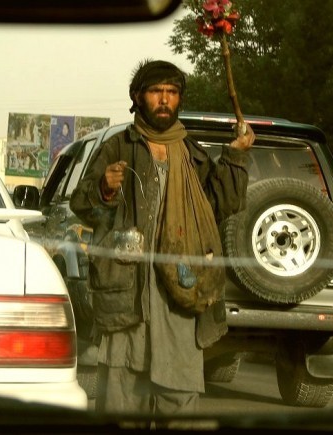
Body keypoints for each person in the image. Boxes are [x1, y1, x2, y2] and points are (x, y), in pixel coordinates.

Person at [69, 59, 255, 423]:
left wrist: (236, 155)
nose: (164, 100)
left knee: (180, 405)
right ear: (138, 97)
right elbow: (82, 206)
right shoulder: (117, 147)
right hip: (128, 301)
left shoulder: (192, 154)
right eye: (156, 91)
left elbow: (224, 205)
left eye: (172, 92)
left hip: (180, 299)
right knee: (122, 406)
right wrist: (104, 189)